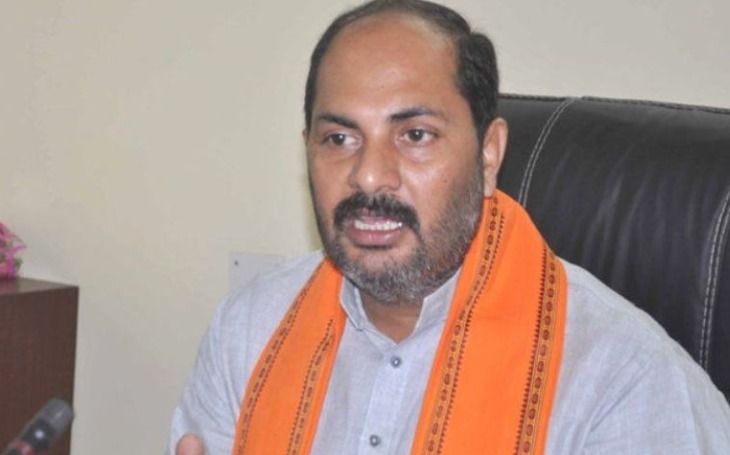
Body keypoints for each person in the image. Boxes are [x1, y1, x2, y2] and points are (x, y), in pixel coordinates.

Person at [169, 1, 730, 454]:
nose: (369, 175)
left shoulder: (623, 382)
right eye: (339, 138)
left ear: (488, 156)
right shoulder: (250, 332)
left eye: (415, 135)